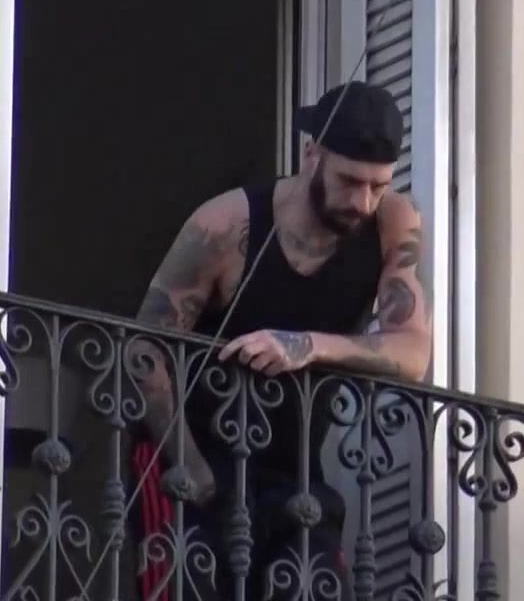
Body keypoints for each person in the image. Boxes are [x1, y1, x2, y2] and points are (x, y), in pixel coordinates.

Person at [128, 81, 432, 601]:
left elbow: (413, 351)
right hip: (189, 455)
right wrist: (194, 470)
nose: (362, 202)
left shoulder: (393, 223)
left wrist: (308, 345)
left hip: (294, 474)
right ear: (312, 154)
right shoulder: (226, 224)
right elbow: (145, 352)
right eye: (349, 181)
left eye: (377, 186)